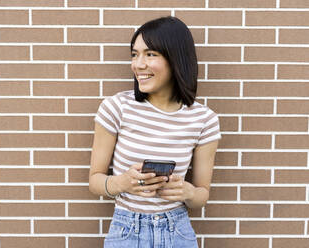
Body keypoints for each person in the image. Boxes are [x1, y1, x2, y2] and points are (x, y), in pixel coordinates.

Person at [89, 16, 221, 248]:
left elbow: (201, 196)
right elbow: (94, 181)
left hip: (177, 230)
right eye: (134, 54)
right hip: (126, 230)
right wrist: (122, 183)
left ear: (175, 58)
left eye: (150, 54)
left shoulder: (204, 120)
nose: (138, 65)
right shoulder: (116, 108)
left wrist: (187, 192)